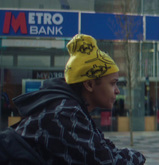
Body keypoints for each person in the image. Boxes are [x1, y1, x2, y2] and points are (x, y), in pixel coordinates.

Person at [10, 34, 146, 164]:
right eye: (112, 83)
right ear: (89, 84)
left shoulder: (72, 108)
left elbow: (104, 147)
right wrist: (140, 157)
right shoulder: (64, 113)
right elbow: (106, 161)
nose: (117, 90)